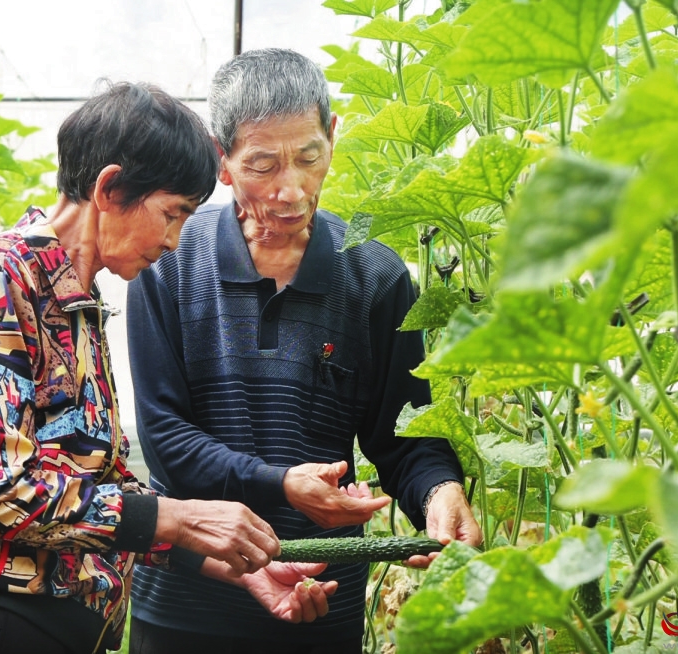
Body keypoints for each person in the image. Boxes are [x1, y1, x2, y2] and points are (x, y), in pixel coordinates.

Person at [0, 82, 337, 654]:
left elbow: (92, 484)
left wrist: (227, 562)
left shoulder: (73, 301)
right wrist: (176, 517)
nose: (175, 241)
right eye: (172, 214)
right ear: (108, 189)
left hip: (49, 624)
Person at [125, 49, 484, 653]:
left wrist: (439, 491)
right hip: (185, 607)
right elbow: (166, 439)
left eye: (309, 158)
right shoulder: (170, 263)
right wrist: (283, 484)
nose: (291, 189)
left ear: (333, 136)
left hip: (322, 600)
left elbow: (404, 438)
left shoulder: (375, 276)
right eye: (262, 164)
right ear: (222, 160)